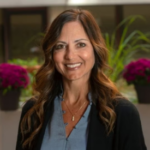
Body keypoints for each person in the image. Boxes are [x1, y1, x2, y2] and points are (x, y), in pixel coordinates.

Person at [16, 9, 147, 150]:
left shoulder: (122, 113)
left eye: (81, 44)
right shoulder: (33, 111)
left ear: (95, 49)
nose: (70, 56)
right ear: (52, 54)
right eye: (60, 46)